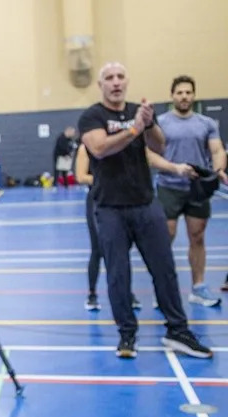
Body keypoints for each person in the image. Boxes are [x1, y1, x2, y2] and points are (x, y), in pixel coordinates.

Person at [78, 62, 212, 359]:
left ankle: (178, 330)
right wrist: (135, 127)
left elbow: (159, 147)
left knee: (164, 269)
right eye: (109, 78)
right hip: (110, 207)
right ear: (100, 85)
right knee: (118, 274)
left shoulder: (139, 114)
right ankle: (127, 335)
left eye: (120, 77)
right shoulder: (92, 117)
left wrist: (148, 125)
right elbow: (100, 149)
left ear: (127, 82)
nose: (116, 82)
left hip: (145, 204)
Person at [146, 75, 226, 308]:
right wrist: (173, 169)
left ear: (193, 95)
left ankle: (198, 287)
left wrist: (218, 170)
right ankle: (163, 290)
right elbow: (150, 154)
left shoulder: (206, 123)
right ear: (172, 96)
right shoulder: (160, 123)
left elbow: (217, 150)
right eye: (179, 92)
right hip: (169, 187)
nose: (184, 96)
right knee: (165, 238)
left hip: (197, 189)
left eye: (188, 92)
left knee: (197, 237)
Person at [75, 144, 141, 313]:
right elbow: (81, 176)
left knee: (122, 249)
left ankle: (126, 292)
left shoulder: (118, 144)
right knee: (97, 249)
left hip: (120, 199)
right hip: (98, 200)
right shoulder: (86, 148)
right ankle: (92, 293)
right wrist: (105, 178)